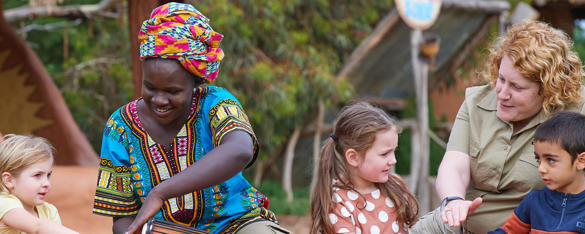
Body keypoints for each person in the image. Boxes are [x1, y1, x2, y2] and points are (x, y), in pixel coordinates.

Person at [92, 3, 288, 234]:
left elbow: (240, 150)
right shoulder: (120, 127)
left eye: (173, 91)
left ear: (196, 83)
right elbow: (123, 218)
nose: (159, 100)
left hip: (236, 225)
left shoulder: (215, 103)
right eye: (149, 87)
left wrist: (161, 192)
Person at [410, 20, 585, 234]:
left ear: (549, 89)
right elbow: (454, 165)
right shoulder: (476, 102)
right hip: (459, 223)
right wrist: (454, 200)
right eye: (501, 79)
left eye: (516, 87)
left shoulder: (576, 112)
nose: (502, 93)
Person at [310, 102, 419, 234]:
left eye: (394, 151)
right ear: (353, 157)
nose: (393, 160)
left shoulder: (395, 186)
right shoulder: (338, 202)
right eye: (384, 154)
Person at [488, 111, 585, 233]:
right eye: (538, 159)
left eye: (551, 160)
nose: (540, 169)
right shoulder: (534, 201)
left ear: (581, 161)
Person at [0, 134, 78, 234]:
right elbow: (37, 227)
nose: (46, 183)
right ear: (9, 180)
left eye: (48, 175)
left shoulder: (49, 211)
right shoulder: (4, 203)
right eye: (37, 175)